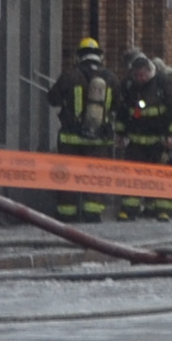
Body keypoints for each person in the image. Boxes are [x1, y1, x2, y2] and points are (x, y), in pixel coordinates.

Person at [48, 39, 120, 223]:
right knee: (95, 177)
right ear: (99, 56)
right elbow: (119, 105)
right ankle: (92, 213)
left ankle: (67, 213)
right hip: (99, 140)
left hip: (71, 139)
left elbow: (53, 98)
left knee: (67, 175)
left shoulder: (70, 75)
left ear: (79, 55)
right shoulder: (110, 78)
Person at [120, 49, 172, 220]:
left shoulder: (164, 83)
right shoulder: (131, 86)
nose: (140, 79)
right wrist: (120, 132)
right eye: (136, 75)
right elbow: (124, 111)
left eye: (142, 75)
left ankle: (164, 211)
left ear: (150, 71)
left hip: (160, 141)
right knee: (133, 175)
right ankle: (130, 210)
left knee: (162, 175)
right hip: (137, 141)